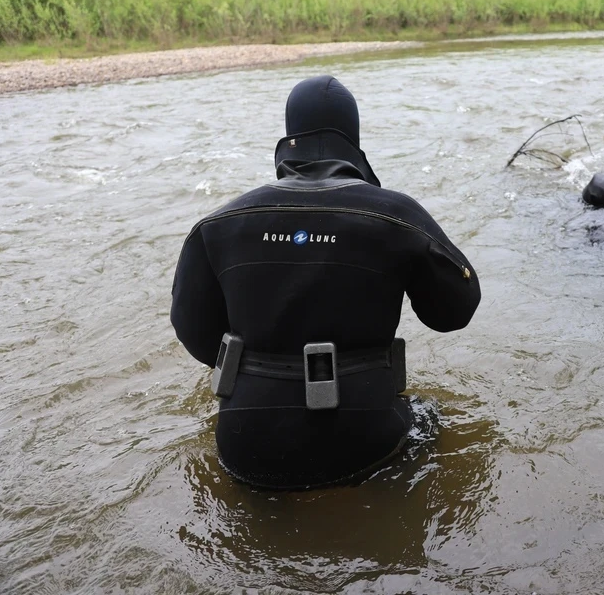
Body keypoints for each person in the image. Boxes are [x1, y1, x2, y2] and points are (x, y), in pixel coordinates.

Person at [170, 75, 481, 490]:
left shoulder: (219, 223)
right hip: (364, 437)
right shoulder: (395, 213)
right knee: (436, 419)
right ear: (352, 137)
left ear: (288, 135)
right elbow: (454, 312)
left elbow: (195, 335)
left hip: (245, 443)